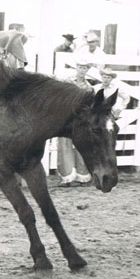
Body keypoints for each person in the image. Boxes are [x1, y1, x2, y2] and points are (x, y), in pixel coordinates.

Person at [56, 58, 93, 187]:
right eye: (80, 67)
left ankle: (82, 177)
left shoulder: (89, 87)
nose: (82, 70)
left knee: (82, 145)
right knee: (64, 145)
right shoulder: (68, 82)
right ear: (76, 67)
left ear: (87, 70)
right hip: (67, 117)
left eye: (85, 68)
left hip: (81, 119)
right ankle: (67, 177)